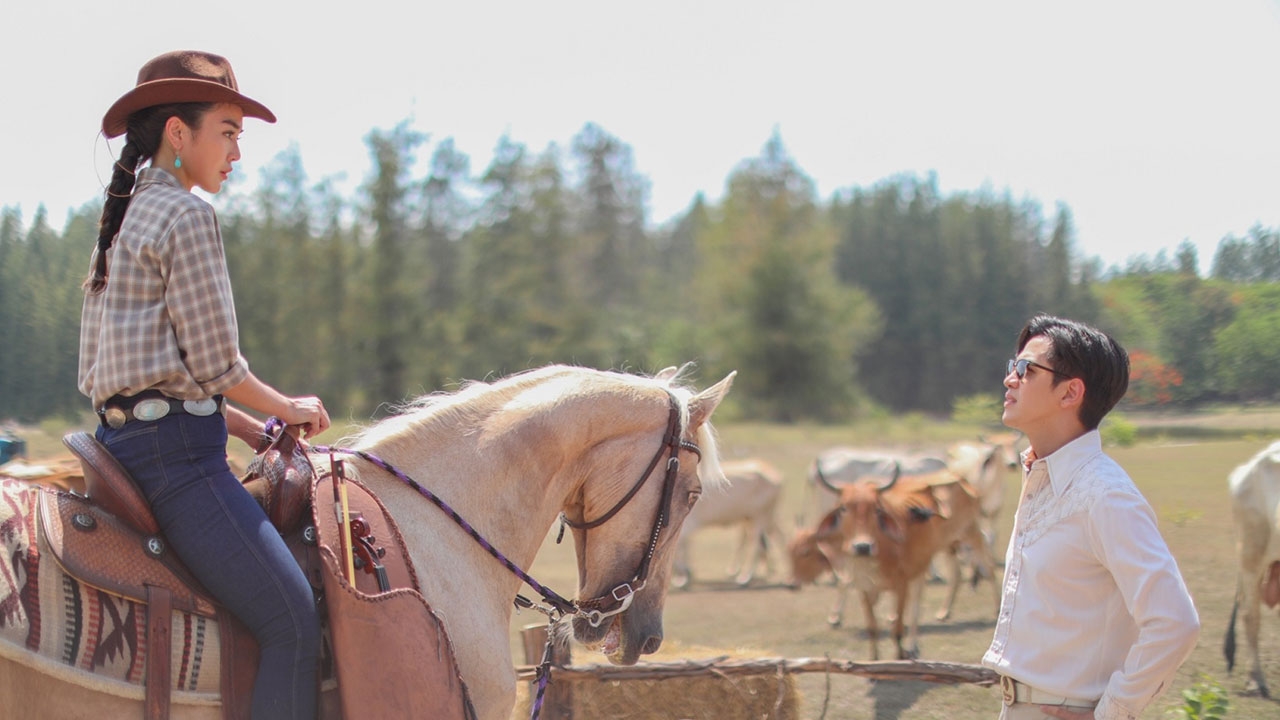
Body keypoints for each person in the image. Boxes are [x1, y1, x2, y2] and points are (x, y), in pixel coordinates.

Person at [79, 50, 329, 719]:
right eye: (227, 130)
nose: (237, 153)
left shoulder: (124, 216)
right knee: (293, 623)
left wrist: (242, 423)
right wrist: (289, 407)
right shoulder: (188, 217)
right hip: (177, 464)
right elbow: (219, 366)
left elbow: (140, 369)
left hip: (126, 443)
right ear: (178, 134)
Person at [982, 314, 1200, 720]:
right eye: (1012, 367)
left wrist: (1113, 712)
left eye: (1026, 369)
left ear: (1070, 393)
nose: (1010, 379)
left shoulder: (1104, 495)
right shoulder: (1042, 477)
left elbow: (1175, 622)